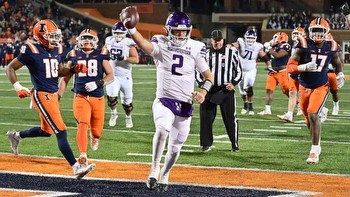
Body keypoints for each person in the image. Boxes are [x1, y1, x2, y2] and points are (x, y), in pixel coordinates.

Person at [120, 8, 214, 192]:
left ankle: (165, 173)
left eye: (183, 31)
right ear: (168, 30)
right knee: (162, 129)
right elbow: (146, 46)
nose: (180, 34)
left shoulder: (196, 47)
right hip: (164, 100)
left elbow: (209, 77)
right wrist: (132, 29)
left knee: (175, 148)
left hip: (185, 104)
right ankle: (154, 168)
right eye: (176, 30)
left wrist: (203, 91)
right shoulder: (160, 42)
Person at [5, 19, 95, 179]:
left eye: (56, 35)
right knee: (61, 130)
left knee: (46, 131)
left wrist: (73, 69)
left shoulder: (56, 49)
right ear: (40, 36)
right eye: (51, 36)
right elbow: (10, 67)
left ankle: (16, 135)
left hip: (52, 95)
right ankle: (75, 167)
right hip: (41, 95)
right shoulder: (30, 49)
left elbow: (59, 71)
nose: (55, 39)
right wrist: (18, 87)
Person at [286, 17, 344, 164]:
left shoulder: (331, 46)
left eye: (321, 31)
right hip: (304, 86)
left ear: (327, 32)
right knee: (308, 119)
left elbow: (337, 63)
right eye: (315, 31)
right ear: (309, 32)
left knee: (313, 114)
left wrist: (340, 74)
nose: (317, 35)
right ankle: (316, 146)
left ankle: (314, 150)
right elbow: (290, 67)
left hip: (321, 86)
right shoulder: (303, 44)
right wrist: (303, 67)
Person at [58, 28, 114, 167]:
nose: (86, 41)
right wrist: (57, 96)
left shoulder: (101, 54)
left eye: (89, 38)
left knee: (96, 132)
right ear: (79, 40)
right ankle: (83, 155)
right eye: (84, 38)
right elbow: (65, 79)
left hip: (98, 98)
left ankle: (94, 137)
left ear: (95, 41)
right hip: (80, 96)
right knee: (83, 123)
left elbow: (111, 76)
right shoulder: (74, 55)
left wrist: (99, 82)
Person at [196, 30, 242, 152]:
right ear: (211, 41)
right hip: (209, 90)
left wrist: (233, 83)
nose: (217, 43)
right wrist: (202, 85)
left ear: (223, 40)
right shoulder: (205, 54)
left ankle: (234, 144)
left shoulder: (231, 53)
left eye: (219, 40)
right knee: (206, 117)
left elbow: (239, 71)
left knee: (230, 118)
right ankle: (206, 144)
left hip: (225, 90)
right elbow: (197, 72)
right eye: (215, 40)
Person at [104, 22, 139, 128]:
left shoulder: (129, 43)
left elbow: (136, 59)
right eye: (116, 33)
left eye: (120, 33)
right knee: (111, 98)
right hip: (112, 75)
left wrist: (124, 58)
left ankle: (128, 117)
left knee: (127, 104)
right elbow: (103, 52)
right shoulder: (109, 40)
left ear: (125, 33)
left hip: (125, 76)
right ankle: (114, 114)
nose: (118, 35)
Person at [233, 29, 271, 115]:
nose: (250, 40)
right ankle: (245, 104)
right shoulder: (241, 42)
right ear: (245, 37)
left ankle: (250, 106)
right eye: (249, 38)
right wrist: (230, 47)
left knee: (249, 86)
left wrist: (269, 65)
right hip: (240, 71)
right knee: (242, 92)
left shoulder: (258, 46)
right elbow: (234, 45)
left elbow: (264, 57)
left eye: (252, 38)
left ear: (255, 38)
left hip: (251, 69)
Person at [277, 27, 306, 122]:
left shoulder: (305, 43)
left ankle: (322, 110)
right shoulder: (294, 44)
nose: (296, 35)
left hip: (303, 71)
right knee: (292, 92)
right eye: (295, 33)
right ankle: (289, 114)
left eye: (298, 33)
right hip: (295, 71)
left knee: (305, 93)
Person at [258, 32, 291, 115]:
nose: (274, 39)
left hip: (282, 72)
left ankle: (299, 106)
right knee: (269, 90)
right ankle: (267, 110)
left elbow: (278, 55)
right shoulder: (274, 46)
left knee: (287, 91)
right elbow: (267, 55)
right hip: (273, 71)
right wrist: (266, 49)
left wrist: (269, 48)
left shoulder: (286, 46)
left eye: (276, 38)